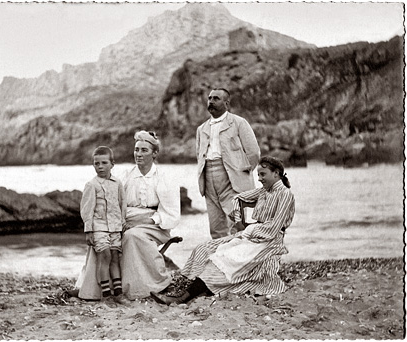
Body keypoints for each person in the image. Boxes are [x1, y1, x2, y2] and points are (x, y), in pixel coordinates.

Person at [151, 156, 294, 305]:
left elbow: (274, 227)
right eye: (258, 174)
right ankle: (193, 289)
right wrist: (238, 221)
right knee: (204, 248)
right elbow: (238, 199)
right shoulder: (264, 192)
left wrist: (249, 232)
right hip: (252, 235)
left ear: (276, 173)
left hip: (269, 241)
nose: (259, 178)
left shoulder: (285, 195)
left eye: (262, 174)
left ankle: (183, 297)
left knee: (224, 259)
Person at [120, 130, 181, 300]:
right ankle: (94, 285)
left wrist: (145, 220)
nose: (138, 154)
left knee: (132, 236)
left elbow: (171, 212)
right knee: (103, 235)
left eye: (144, 150)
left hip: (155, 224)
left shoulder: (163, 177)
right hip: (127, 220)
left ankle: (150, 284)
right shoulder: (126, 175)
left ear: (154, 153)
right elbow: (117, 203)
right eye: (136, 150)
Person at [196, 88, 260, 239]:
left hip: (232, 177)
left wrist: (242, 172)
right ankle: (221, 260)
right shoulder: (202, 129)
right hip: (208, 177)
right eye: (210, 98)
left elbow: (254, 153)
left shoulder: (239, 123)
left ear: (226, 103)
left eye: (216, 98)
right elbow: (199, 154)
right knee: (216, 225)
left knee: (239, 222)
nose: (211, 101)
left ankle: (244, 259)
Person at [68, 146, 128, 304]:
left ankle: (118, 293)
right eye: (96, 163)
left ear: (112, 164)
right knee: (105, 256)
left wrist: (122, 223)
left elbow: (122, 204)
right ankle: (106, 295)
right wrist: (88, 230)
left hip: (115, 227)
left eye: (104, 163)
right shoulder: (91, 185)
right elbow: (86, 209)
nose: (100, 166)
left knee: (115, 257)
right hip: (99, 227)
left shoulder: (118, 183)